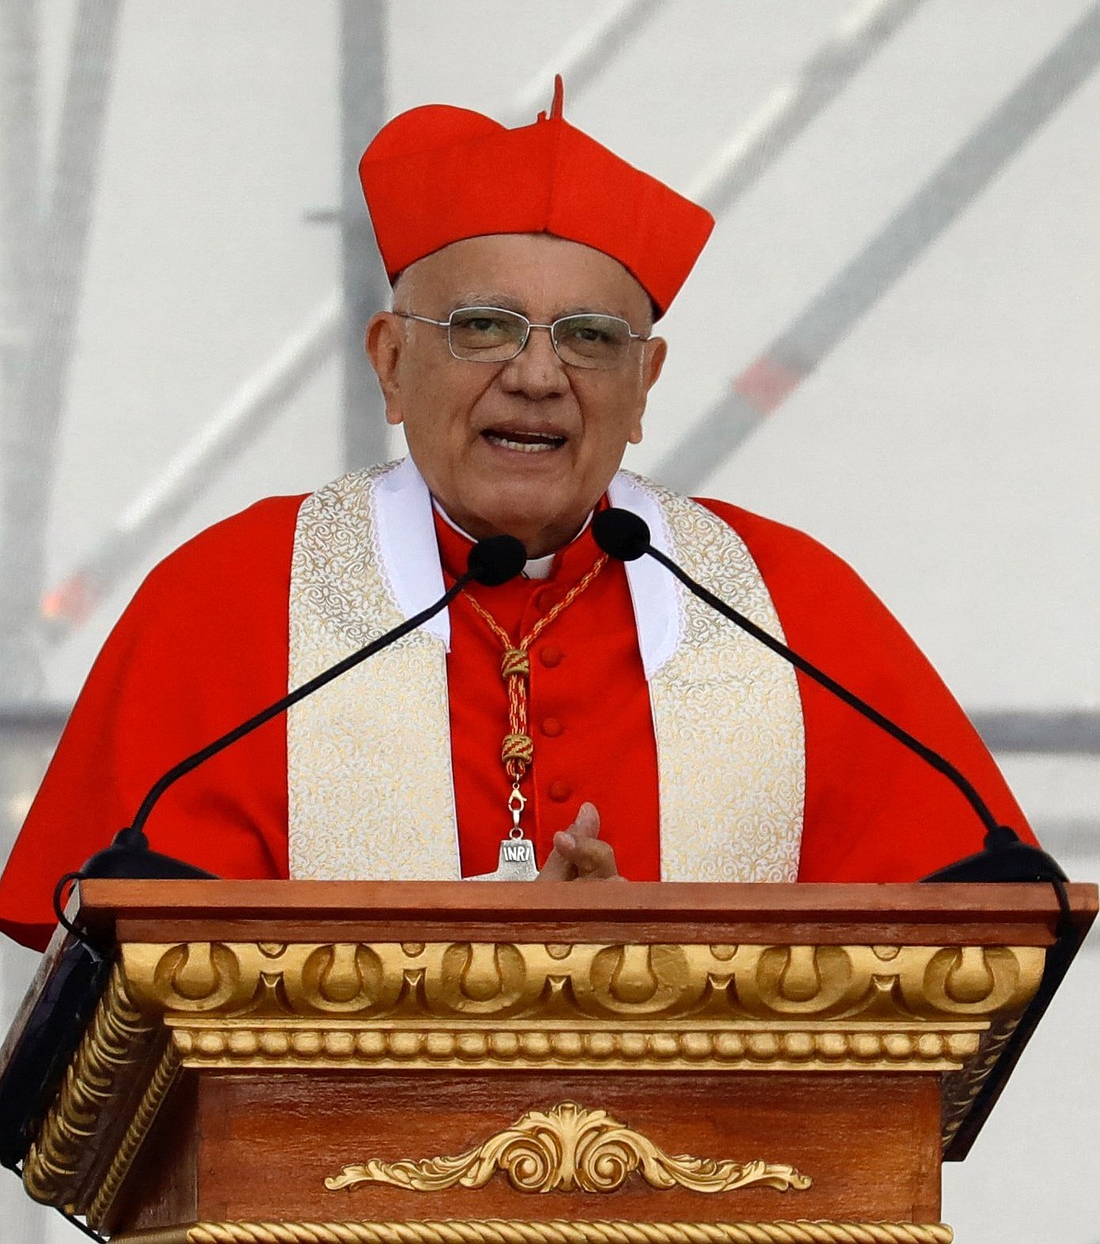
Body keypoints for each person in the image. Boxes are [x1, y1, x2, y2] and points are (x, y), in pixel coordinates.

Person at [0, 79, 1036, 951]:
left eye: (588, 338)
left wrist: (651, 964)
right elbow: (133, 964)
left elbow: (969, 934)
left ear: (643, 388)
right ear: (391, 362)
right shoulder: (230, 601)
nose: (536, 376)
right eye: (484, 326)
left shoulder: (786, 610)